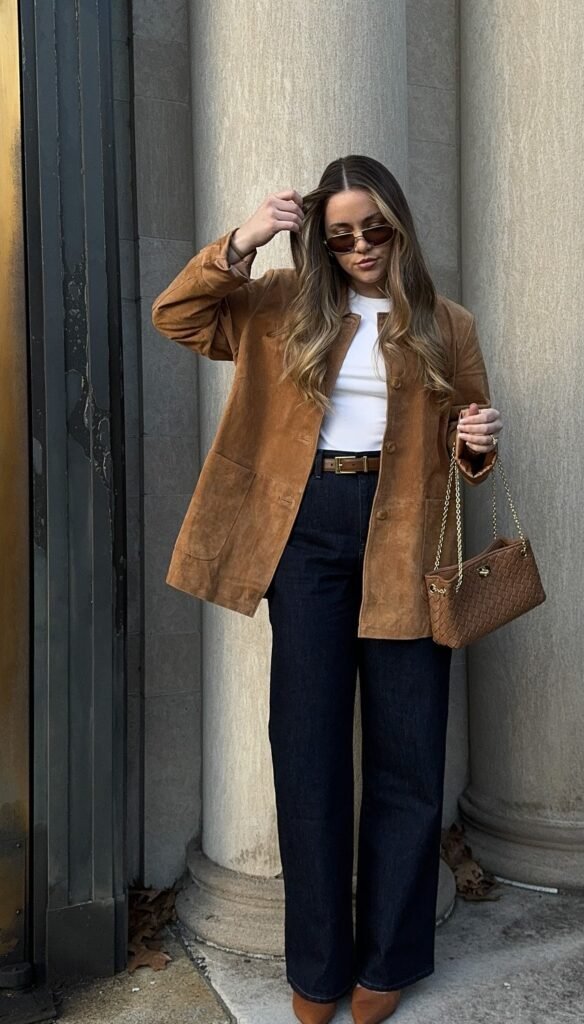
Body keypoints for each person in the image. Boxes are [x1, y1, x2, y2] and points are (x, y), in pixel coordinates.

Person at [152, 155, 502, 1024]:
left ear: (399, 227)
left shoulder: (445, 323)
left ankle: (390, 957)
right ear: (320, 237)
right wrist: (245, 239)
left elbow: (473, 454)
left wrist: (476, 440)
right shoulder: (278, 306)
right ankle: (316, 969)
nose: (359, 246)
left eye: (374, 229)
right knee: (306, 752)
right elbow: (178, 315)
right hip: (304, 534)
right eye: (340, 233)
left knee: (407, 756)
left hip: (405, 536)